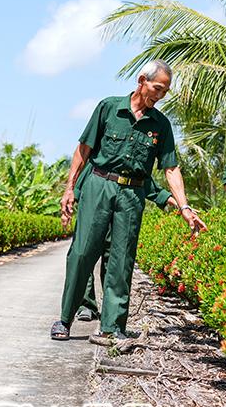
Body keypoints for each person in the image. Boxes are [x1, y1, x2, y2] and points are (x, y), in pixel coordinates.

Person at [51, 59, 206, 341]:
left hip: (133, 194)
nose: (160, 95)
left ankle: (112, 327)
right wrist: (69, 188)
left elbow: (171, 168)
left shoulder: (161, 125)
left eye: (165, 91)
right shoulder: (109, 108)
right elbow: (84, 150)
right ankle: (64, 319)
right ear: (141, 81)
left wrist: (184, 206)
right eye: (157, 88)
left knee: (121, 259)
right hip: (99, 185)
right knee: (82, 253)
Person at [72, 165, 176, 322]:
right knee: (85, 256)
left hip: (119, 205)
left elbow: (141, 179)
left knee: (113, 258)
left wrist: (169, 199)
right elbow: (83, 171)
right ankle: (86, 305)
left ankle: (110, 309)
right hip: (94, 202)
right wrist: (74, 194)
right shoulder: (95, 157)